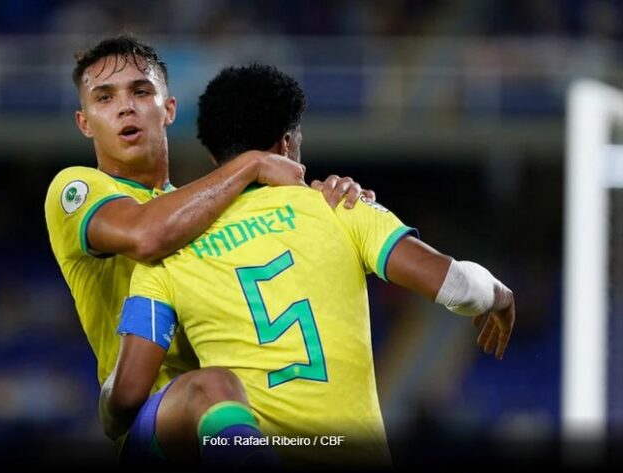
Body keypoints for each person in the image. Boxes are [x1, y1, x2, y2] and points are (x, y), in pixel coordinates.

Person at [103, 64, 516, 469]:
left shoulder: (168, 254)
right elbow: (458, 287)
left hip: (238, 446)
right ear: (287, 144)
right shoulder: (343, 208)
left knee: (197, 393)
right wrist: (498, 294)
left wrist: (109, 402)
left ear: (215, 157)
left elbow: (127, 399)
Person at [44, 35, 371, 466]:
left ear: (169, 110)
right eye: (105, 98)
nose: (125, 107)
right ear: (85, 122)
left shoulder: (205, 210)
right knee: (210, 386)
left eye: (140, 92)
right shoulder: (76, 188)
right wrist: (251, 163)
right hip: (159, 421)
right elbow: (145, 235)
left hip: (239, 419)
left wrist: (335, 204)